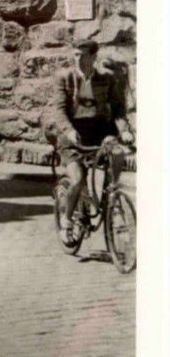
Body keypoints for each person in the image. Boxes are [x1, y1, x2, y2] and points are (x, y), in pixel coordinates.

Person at [49, 39, 134, 242]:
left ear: (94, 57)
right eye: (76, 55)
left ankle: (112, 196)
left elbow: (118, 109)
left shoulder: (107, 78)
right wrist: (68, 131)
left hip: (98, 128)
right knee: (77, 180)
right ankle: (67, 220)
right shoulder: (64, 78)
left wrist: (125, 131)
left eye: (84, 55)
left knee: (118, 152)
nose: (79, 59)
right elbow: (59, 111)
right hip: (73, 133)